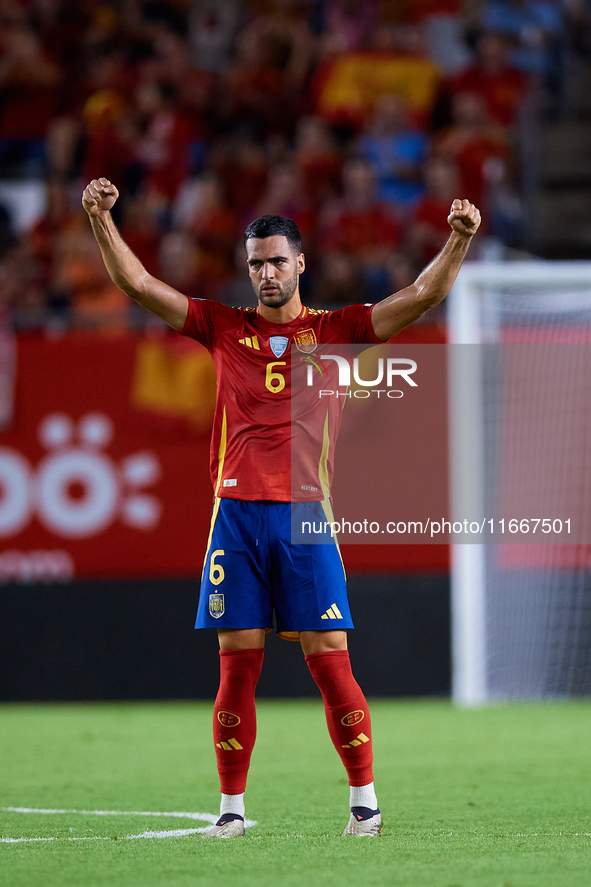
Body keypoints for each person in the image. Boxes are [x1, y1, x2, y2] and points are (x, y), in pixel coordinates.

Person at [82, 177, 481, 838]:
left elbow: (421, 295)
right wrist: (101, 219)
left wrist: (459, 239)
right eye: (255, 264)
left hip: (304, 518)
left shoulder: (335, 331)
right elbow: (138, 285)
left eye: (276, 260)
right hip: (235, 519)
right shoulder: (221, 326)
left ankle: (364, 805)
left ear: (300, 263)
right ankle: (231, 812)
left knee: (330, 660)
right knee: (236, 666)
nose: (266, 273)